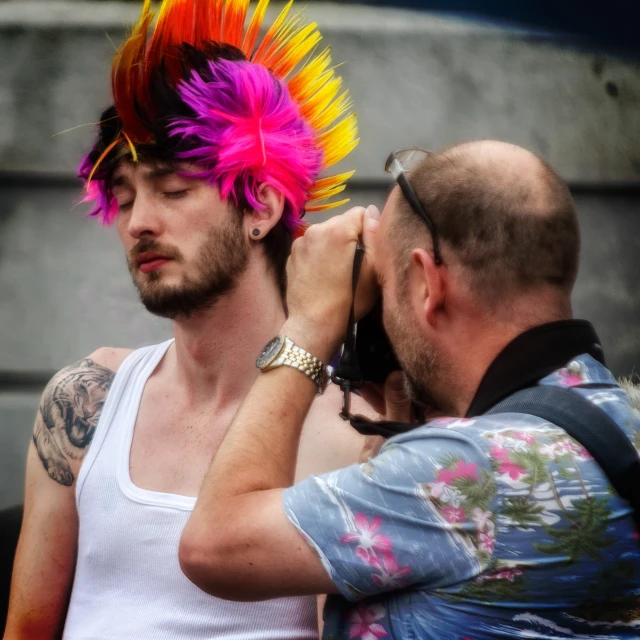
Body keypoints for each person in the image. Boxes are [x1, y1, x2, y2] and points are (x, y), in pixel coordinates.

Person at [3, 1, 371, 638]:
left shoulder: (348, 432)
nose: (139, 220)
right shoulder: (84, 400)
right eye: (123, 197)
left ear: (259, 204)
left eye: (172, 189)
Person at [179, 140, 640, 639]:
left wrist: (310, 324)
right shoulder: (618, 425)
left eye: (385, 281)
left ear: (426, 282)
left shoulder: (459, 471)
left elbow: (215, 544)